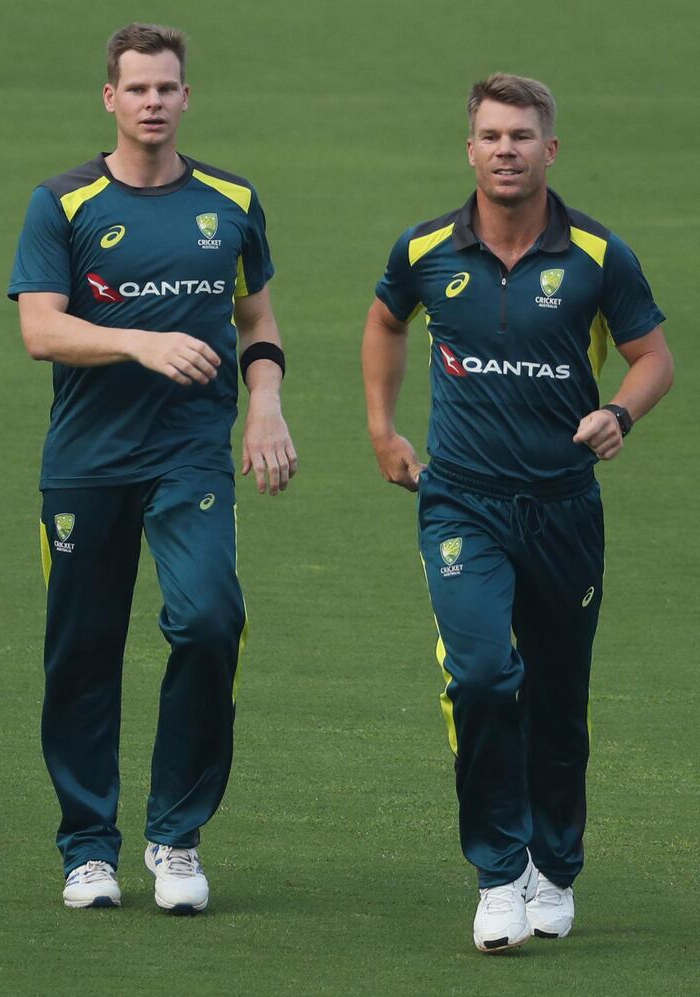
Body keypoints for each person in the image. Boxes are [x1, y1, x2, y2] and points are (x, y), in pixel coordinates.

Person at [362, 73, 672, 952]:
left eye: (522, 136)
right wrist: (384, 430)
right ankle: (498, 872)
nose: (506, 150)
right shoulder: (425, 249)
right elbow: (385, 323)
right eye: (491, 136)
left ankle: (553, 866)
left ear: (550, 149)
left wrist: (619, 412)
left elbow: (654, 358)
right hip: (461, 501)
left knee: (559, 699)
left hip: (565, 506)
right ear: (470, 148)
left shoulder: (599, 258)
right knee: (484, 677)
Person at [8, 22, 296, 913]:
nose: (153, 102)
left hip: (190, 458)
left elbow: (257, 318)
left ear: (185, 96)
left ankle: (175, 838)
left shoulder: (232, 199)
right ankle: (89, 849)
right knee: (83, 655)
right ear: (110, 98)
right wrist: (141, 341)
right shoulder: (62, 203)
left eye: (167, 87)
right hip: (86, 465)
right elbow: (40, 329)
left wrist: (266, 402)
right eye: (136, 89)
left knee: (210, 620)